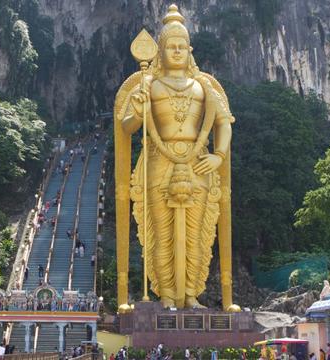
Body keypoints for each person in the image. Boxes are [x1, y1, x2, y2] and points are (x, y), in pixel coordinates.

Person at [115, 4, 237, 309]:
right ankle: (167, 294)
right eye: (171, 46)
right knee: (162, 231)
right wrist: (140, 110)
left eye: (182, 46)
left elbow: (223, 122)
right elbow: (127, 125)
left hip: (198, 163)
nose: (178, 51)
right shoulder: (149, 84)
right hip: (159, 160)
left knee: (196, 233)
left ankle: (192, 293)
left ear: (190, 49)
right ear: (161, 50)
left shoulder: (204, 86)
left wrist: (219, 156)